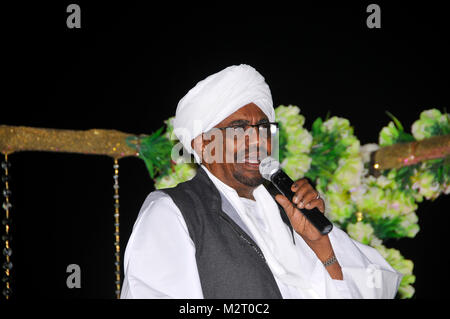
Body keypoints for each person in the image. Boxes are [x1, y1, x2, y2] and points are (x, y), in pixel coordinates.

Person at [120, 64, 402, 299]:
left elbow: (373, 288)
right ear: (203, 144)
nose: (258, 140)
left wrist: (320, 246)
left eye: (264, 127)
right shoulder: (174, 211)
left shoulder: (290, 214)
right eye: (239, 128)